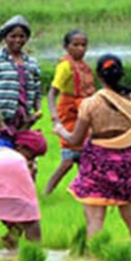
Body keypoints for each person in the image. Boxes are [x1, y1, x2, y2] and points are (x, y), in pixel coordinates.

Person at [54, 55, 131, 240]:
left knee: (95, 219)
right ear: (122, 74)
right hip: (126, 162)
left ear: (99, 77)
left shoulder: (91, 103)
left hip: (97, 163)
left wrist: (60, 130)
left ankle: (96, 258)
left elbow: (75, 139)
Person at [45, 30, 96, 196]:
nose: (80, 49)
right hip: (69, 114)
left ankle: (83, 191)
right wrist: (55, 119)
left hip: (84, 113)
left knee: (86, 159)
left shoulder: (85, 67)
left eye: (83, 45)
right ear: (66, 47)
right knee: (68, 160)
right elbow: (52, 92)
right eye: (75, 45)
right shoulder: (65, 66)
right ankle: (47, 192)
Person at [0, 15, 42, 131]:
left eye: (22, 36)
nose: (17, 40)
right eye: (13, 36)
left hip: (22, 118)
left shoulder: (32, 63)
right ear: (5, 37)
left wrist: (37, 111)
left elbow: (37, 90)